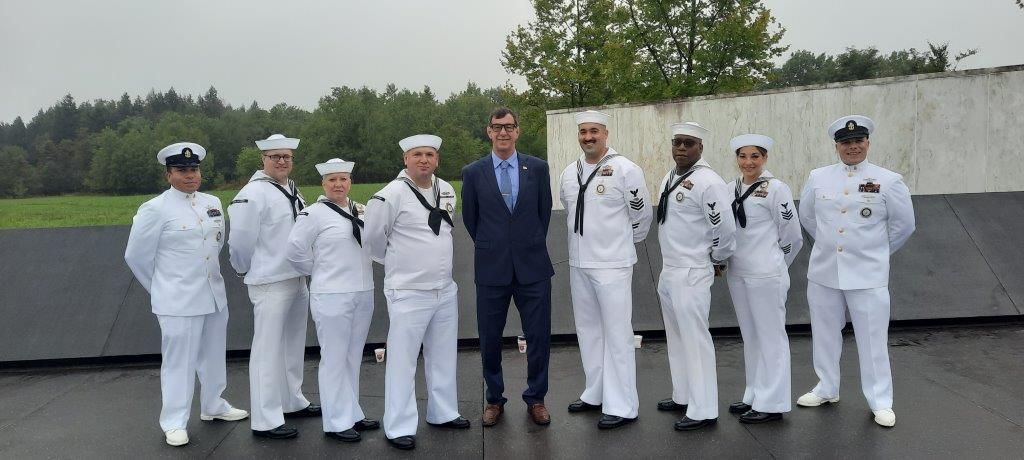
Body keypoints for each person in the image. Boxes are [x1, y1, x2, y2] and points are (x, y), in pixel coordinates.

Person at [124, 142, 249, 447]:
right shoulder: (155, 209)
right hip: (177, 300)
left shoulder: (212, 202)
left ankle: (214, 405)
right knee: (179, 363)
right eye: (182, 170)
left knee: (213, 355)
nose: (190, 175)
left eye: (194, 169)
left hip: (213, 293)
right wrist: (162, 288)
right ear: (168, 174)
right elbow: (136, 256)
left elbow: (216, 244)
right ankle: (174, 422)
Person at [797, 115, 916, 428]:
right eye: (846, 142)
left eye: (858, 141)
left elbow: (904, 226)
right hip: (824, 271)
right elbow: (807, 217)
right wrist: (829, 245)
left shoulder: (889, 180)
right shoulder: (818, 177)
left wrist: (874, 252)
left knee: (872, 339)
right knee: (824, 333)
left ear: (868, 142)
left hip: (867, 274)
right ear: (837, 146)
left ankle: (880, 400)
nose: (853, 147)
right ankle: (826, 387)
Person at [364, 134, 469, 450]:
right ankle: (398, 426)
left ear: (437, 159)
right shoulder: (390, 195)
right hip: (408, 290)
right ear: (405, 159)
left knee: (443, 355)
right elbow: (373, 241)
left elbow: (445, 230)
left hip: (444, 288)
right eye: (417, 154)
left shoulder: (446, 189)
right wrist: (402, 265)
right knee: (403, 360)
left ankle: (443, 412)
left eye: (430, 155)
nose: (424, 160)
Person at [559, 110, 652, 429]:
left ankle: (623, 405)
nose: (588, 137)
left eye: (594, 131)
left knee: (617, 334)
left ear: (605, 134)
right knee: (588, 332)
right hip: (579, 262)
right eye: (583, 132)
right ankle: (595, 393)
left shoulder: (626, 169)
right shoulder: (569, 172)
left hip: (612, 264)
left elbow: (641, 217)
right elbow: (569, 209)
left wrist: (620, 244)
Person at [461, 107, 554, 427]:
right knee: (489, 338)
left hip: (533, 266)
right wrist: (496, 244)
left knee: (539, 336)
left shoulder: (537, 168)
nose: (503, 132)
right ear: (488, 131)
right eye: (497, 127)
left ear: (517, 131)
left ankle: (536, 398)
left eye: (509, 126)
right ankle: (494, 399)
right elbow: (471, 220)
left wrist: (525, 243)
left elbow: (543, 213)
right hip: (492, 268)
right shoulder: (473, 172)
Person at [228, 134, 320, 440]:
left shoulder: (290, 188)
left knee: (292, 345)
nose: (282, 161)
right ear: (263, 159)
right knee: (266, 351)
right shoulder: (252, 193)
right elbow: (240, 241)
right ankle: (265, 419)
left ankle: (291, 400)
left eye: (287, 157)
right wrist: (244, 269)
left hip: (296, 278)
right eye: (275, 157)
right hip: (270, 281)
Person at [286, 158, 379, 442]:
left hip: (363, 291)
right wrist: (320, 271)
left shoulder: (361, 210)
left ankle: (352, 412)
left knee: (353, 356)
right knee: (334, 358)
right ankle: (336, 421)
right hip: (331, 294)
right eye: (332, 180)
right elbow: (295, 250)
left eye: (343, 179)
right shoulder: (313, 214)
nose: (338, 184)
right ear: (323, 184)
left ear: (350, 182)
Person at [652, 122, 736, 431]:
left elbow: (724, 228)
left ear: (701, 147)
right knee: (676, 339)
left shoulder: (708, 181)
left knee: (696, 341)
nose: (682, 148)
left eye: (689, 143)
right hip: (670, 268)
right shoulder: (671, 176)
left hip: (692, 271)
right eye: (677, 142)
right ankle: (684, 395)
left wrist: (717, 258)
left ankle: (704, 409)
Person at [724, 134, 803, 424]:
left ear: (765, 158)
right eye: (742, 156)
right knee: (751, 336)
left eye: (755, 156)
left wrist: (777, 265)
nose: (748, 162)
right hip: (738, 272)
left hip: (766, 274)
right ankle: (754, 393)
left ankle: (772, 403)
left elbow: (792, 236)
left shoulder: (776, 189)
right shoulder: (729, 188)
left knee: (771, 338)